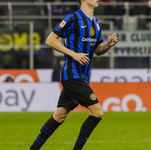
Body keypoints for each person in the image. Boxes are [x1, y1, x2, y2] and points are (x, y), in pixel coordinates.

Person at [27, 0, 118, 149]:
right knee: (97, 113)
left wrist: (107, 45)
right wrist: (73, 54)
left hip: (83, 76)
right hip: (72, 74)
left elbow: (97, 50)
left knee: (59, 116)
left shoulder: (97, 22)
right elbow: (50, 40)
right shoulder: (72, 18)